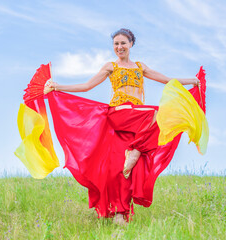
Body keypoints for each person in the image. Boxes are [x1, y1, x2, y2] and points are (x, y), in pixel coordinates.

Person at [42, 28, 201, 225]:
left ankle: (120, 214)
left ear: (131, 44)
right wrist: (58, 87)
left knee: (121, 168)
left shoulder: (140, 67)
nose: (119, 47)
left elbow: (167, 80)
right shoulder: (110, 67)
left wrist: (192, 81)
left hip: (135, 120)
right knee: (157, 113)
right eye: (116, 44)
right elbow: (86, 86)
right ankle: (136, 150)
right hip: (119, 113)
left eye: (123, 43)